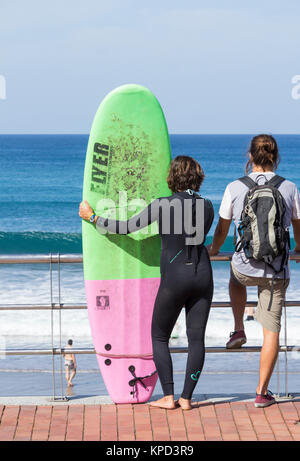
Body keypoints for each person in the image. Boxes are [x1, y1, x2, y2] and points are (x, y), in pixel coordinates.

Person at [79, 155, 214, 410]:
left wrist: (94, 217)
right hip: (203, 275)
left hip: (175, 278)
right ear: (198, 177)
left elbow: (128, 227)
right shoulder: (207, 205)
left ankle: (168, 396)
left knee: (159, 336)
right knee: (196, 339)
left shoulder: (162, 205)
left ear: (171, 177)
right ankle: (186, 398)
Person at [208, 134, 300, 407]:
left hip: (244, 266)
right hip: (276, 271)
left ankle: (238, 328)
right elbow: (298, 226)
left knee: (235, 279)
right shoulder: (289, 187)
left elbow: (223, 228)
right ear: (276, 156)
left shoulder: (235, 187)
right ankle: (261, 393)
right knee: (271, 331)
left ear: (250, 157)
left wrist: (213, 250)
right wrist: (299, 250)